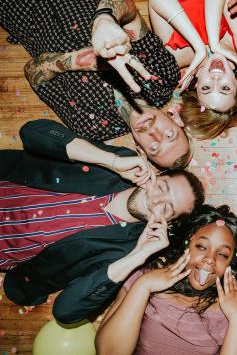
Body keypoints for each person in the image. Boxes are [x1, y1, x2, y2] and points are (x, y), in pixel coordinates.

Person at [1, 119, 205, 323]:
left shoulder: (124, 252)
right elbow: (30, 132)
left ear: (167, 223)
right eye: (162, 188)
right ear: (156, 175)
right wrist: (111, 161)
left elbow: (65, 312)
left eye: (167, 208)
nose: (156, 200)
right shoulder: (120, 161)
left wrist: (137, 255)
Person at [0, 0, 191, 168]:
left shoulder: (92, 128)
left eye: (154, 148)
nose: (155, 134)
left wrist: (81, 61)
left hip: (15, 3)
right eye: (169, 135)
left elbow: (32, 72)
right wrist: (105, 18)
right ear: (175, 119)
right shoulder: (163, 76)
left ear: (140, 150)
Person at [96, 205, 237, 355]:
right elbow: (108, 352)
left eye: (222, 254)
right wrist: (144, 286)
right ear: (186, 245)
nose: (210, 259)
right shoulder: (144, 277)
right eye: (201, 247)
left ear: (231, 263)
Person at [148, 0, 237, 139]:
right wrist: (213, 42)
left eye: (206, 88)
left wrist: (199, 47)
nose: (216, 79)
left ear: (196, 84)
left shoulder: (177, 56)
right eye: (225, 88)